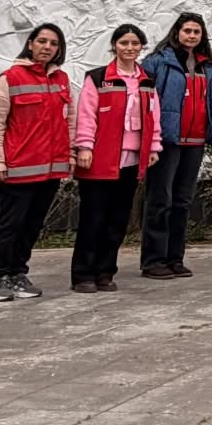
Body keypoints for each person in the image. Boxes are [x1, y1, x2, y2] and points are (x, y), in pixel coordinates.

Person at [0, 24, 74, 303]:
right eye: (42, 41)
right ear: (30, 44)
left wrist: (68, 158)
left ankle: (18, 273)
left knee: (33, 225)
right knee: (11, 225)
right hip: (18, 168)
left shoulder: (62, 80)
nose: (47, 47)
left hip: (52, 169)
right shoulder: (10, 78)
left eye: (54, 43)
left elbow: (70, 122)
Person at [70, 24, 162, 293]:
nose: (130, 48)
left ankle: (105, 272)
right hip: (99, 158)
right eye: (124, 43)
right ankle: (83, 274)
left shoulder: (147, 80)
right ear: (114, 46)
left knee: (118, 220)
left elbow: (153, 116)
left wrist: (154, 147)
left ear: (141, 47)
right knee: (93, 218)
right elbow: (86, 114)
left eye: (135, 43)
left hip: (132, 160)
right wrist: (84, 147)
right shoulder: (98, 78)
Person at [141, 12, 212, 280]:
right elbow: (145, 101)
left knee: (183, 201)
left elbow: (210, 102)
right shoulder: (158, 62)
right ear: (177, 32)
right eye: (187, 31)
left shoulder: (206, 65)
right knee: (161, 199)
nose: (192, 36)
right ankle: (153, 260)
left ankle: (175, 258)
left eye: (197, 32)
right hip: (167, 140)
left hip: (195, 141)